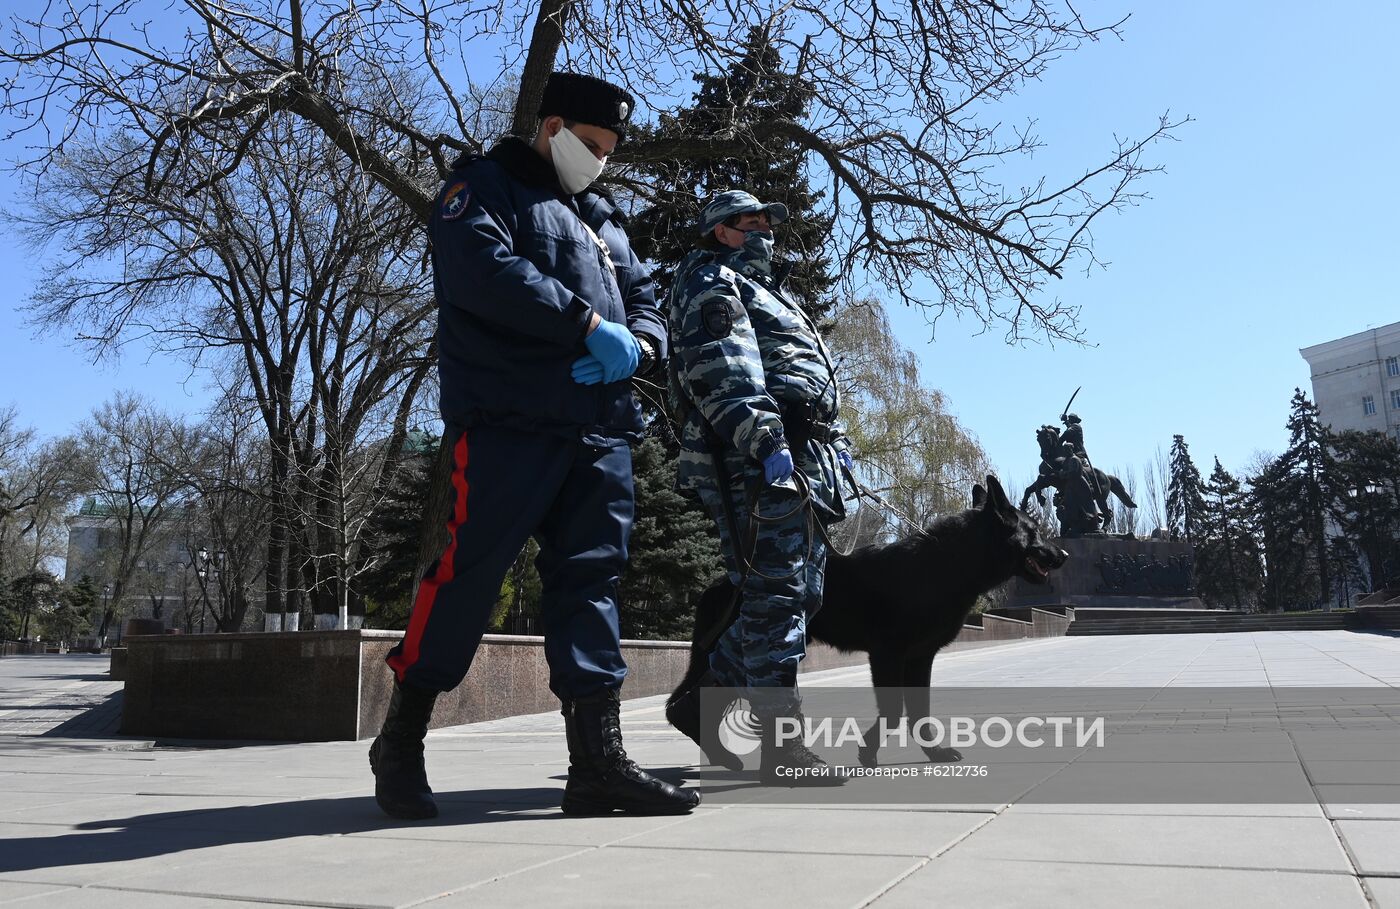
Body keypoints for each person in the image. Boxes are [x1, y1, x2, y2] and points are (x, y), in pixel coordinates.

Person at [370, 72, 699, 819]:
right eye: (590, 144)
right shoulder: (482, 188)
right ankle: (401, 740)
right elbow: (485, 272)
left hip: (599, 429)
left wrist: (641, 348)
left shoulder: (604, 218)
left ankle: (597, 765)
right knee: (466, 576)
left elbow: (647, 303)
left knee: (592, 586)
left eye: (610, 150)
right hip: (507, 421)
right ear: (550, 128)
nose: (600, 161)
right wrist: (586, 325)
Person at [663, 190, 852, 785]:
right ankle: (782, 748)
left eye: (771, 222)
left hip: (802, 455)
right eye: (756, 223)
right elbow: (725, 370)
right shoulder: (714, 284)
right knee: (775, 601)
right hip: (759, 460)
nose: (769, 231)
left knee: (804, 596)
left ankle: (703, 700)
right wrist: (767, 441)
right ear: (722, 231)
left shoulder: (764, 289)